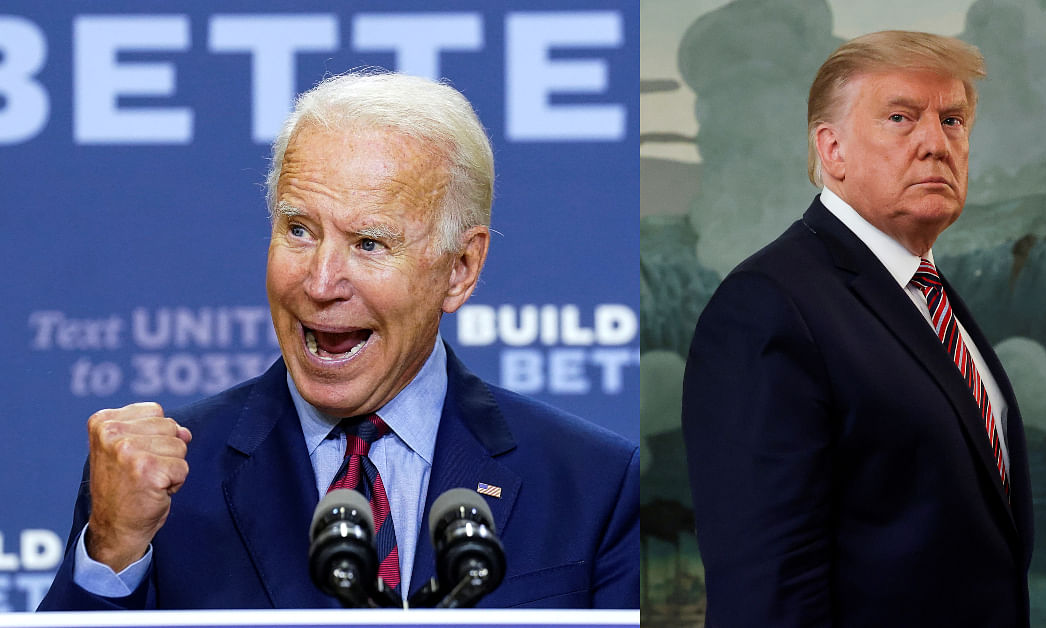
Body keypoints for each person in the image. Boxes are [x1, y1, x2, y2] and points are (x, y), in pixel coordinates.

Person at [39, 71, 639, 611]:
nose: (321, 282)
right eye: (298, 230)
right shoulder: (157, 480)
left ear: (460, 268)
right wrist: (113, 547)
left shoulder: (593, 485)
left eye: (369, 244)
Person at [681, 31, 1033, 627]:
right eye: (901, 117)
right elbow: (767, 593)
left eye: (953, 121)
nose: (935, 144)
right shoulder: (766, 306)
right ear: (832, 149)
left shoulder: (924, 292)